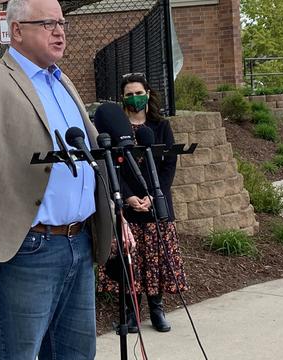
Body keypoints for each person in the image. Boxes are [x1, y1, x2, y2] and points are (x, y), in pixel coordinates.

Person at [0, 0, 113, 358]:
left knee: (76, 353)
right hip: (29, 248)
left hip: (79, 242)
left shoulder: (61, 81)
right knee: (16, 353)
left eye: (62, 23)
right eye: (48, 24)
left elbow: (90, 155)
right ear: (16, 30)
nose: (60, 31)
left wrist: (112, 209)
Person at [97, 73, 188, 333]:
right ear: (122, 98)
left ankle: (157, 310)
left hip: (155, 204)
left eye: (138, 92)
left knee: (155, 259)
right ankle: (131, 312)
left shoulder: (160, 127)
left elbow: (169, 164)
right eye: (129, 94)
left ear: (148, 93)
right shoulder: (116, 129)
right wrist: (127, 197)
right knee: (130, 261)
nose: (134, 98)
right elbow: (111, 165)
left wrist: (153, 195)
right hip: (127, 206)